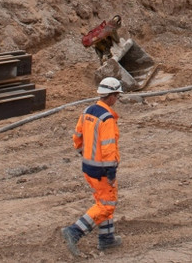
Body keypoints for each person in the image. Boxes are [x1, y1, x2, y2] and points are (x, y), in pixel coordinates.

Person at [60, 77, 124, 256]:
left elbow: (77, 137)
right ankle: (74, 231)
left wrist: (83, 153)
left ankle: (107, 238)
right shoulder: (107, 118)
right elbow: (108, 147)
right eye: (117, 96)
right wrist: (110, 171)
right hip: (102, 170)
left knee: (102, 200)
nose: (117, 99)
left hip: (88, 167)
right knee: (107, 205)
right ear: (111, 96)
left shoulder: (88, 111)